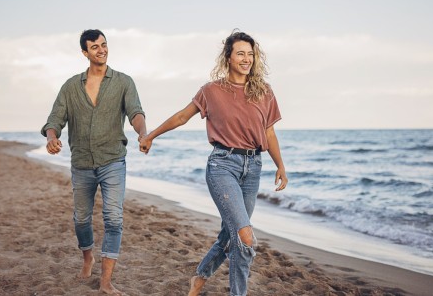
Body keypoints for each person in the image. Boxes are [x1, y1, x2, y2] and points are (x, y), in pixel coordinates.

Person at [139, 30, 288, 296]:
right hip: (222, 166)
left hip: (254, 167)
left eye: (250, 54)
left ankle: (200, 277)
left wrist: (281, 165)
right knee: (245, 237)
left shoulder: (264, 91)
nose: (247, 59)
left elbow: (269, 132)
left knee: (231, 234)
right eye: (240, 53)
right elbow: (183, 117)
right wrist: (151, 135)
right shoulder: (212, 90)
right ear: (228, 57)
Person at [41, 29, 147, 295]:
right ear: (85, 53)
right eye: (95, 47)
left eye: (104, 45)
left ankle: (106, 281)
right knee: (81, 219)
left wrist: (143, 133)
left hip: (113, 160)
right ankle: (87, 257)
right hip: (82, 163)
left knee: (114, 219)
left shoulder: (123, 82)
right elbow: (54, 120)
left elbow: (135, 112)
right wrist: (52, 137)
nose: (102, 50)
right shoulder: (70, 87)